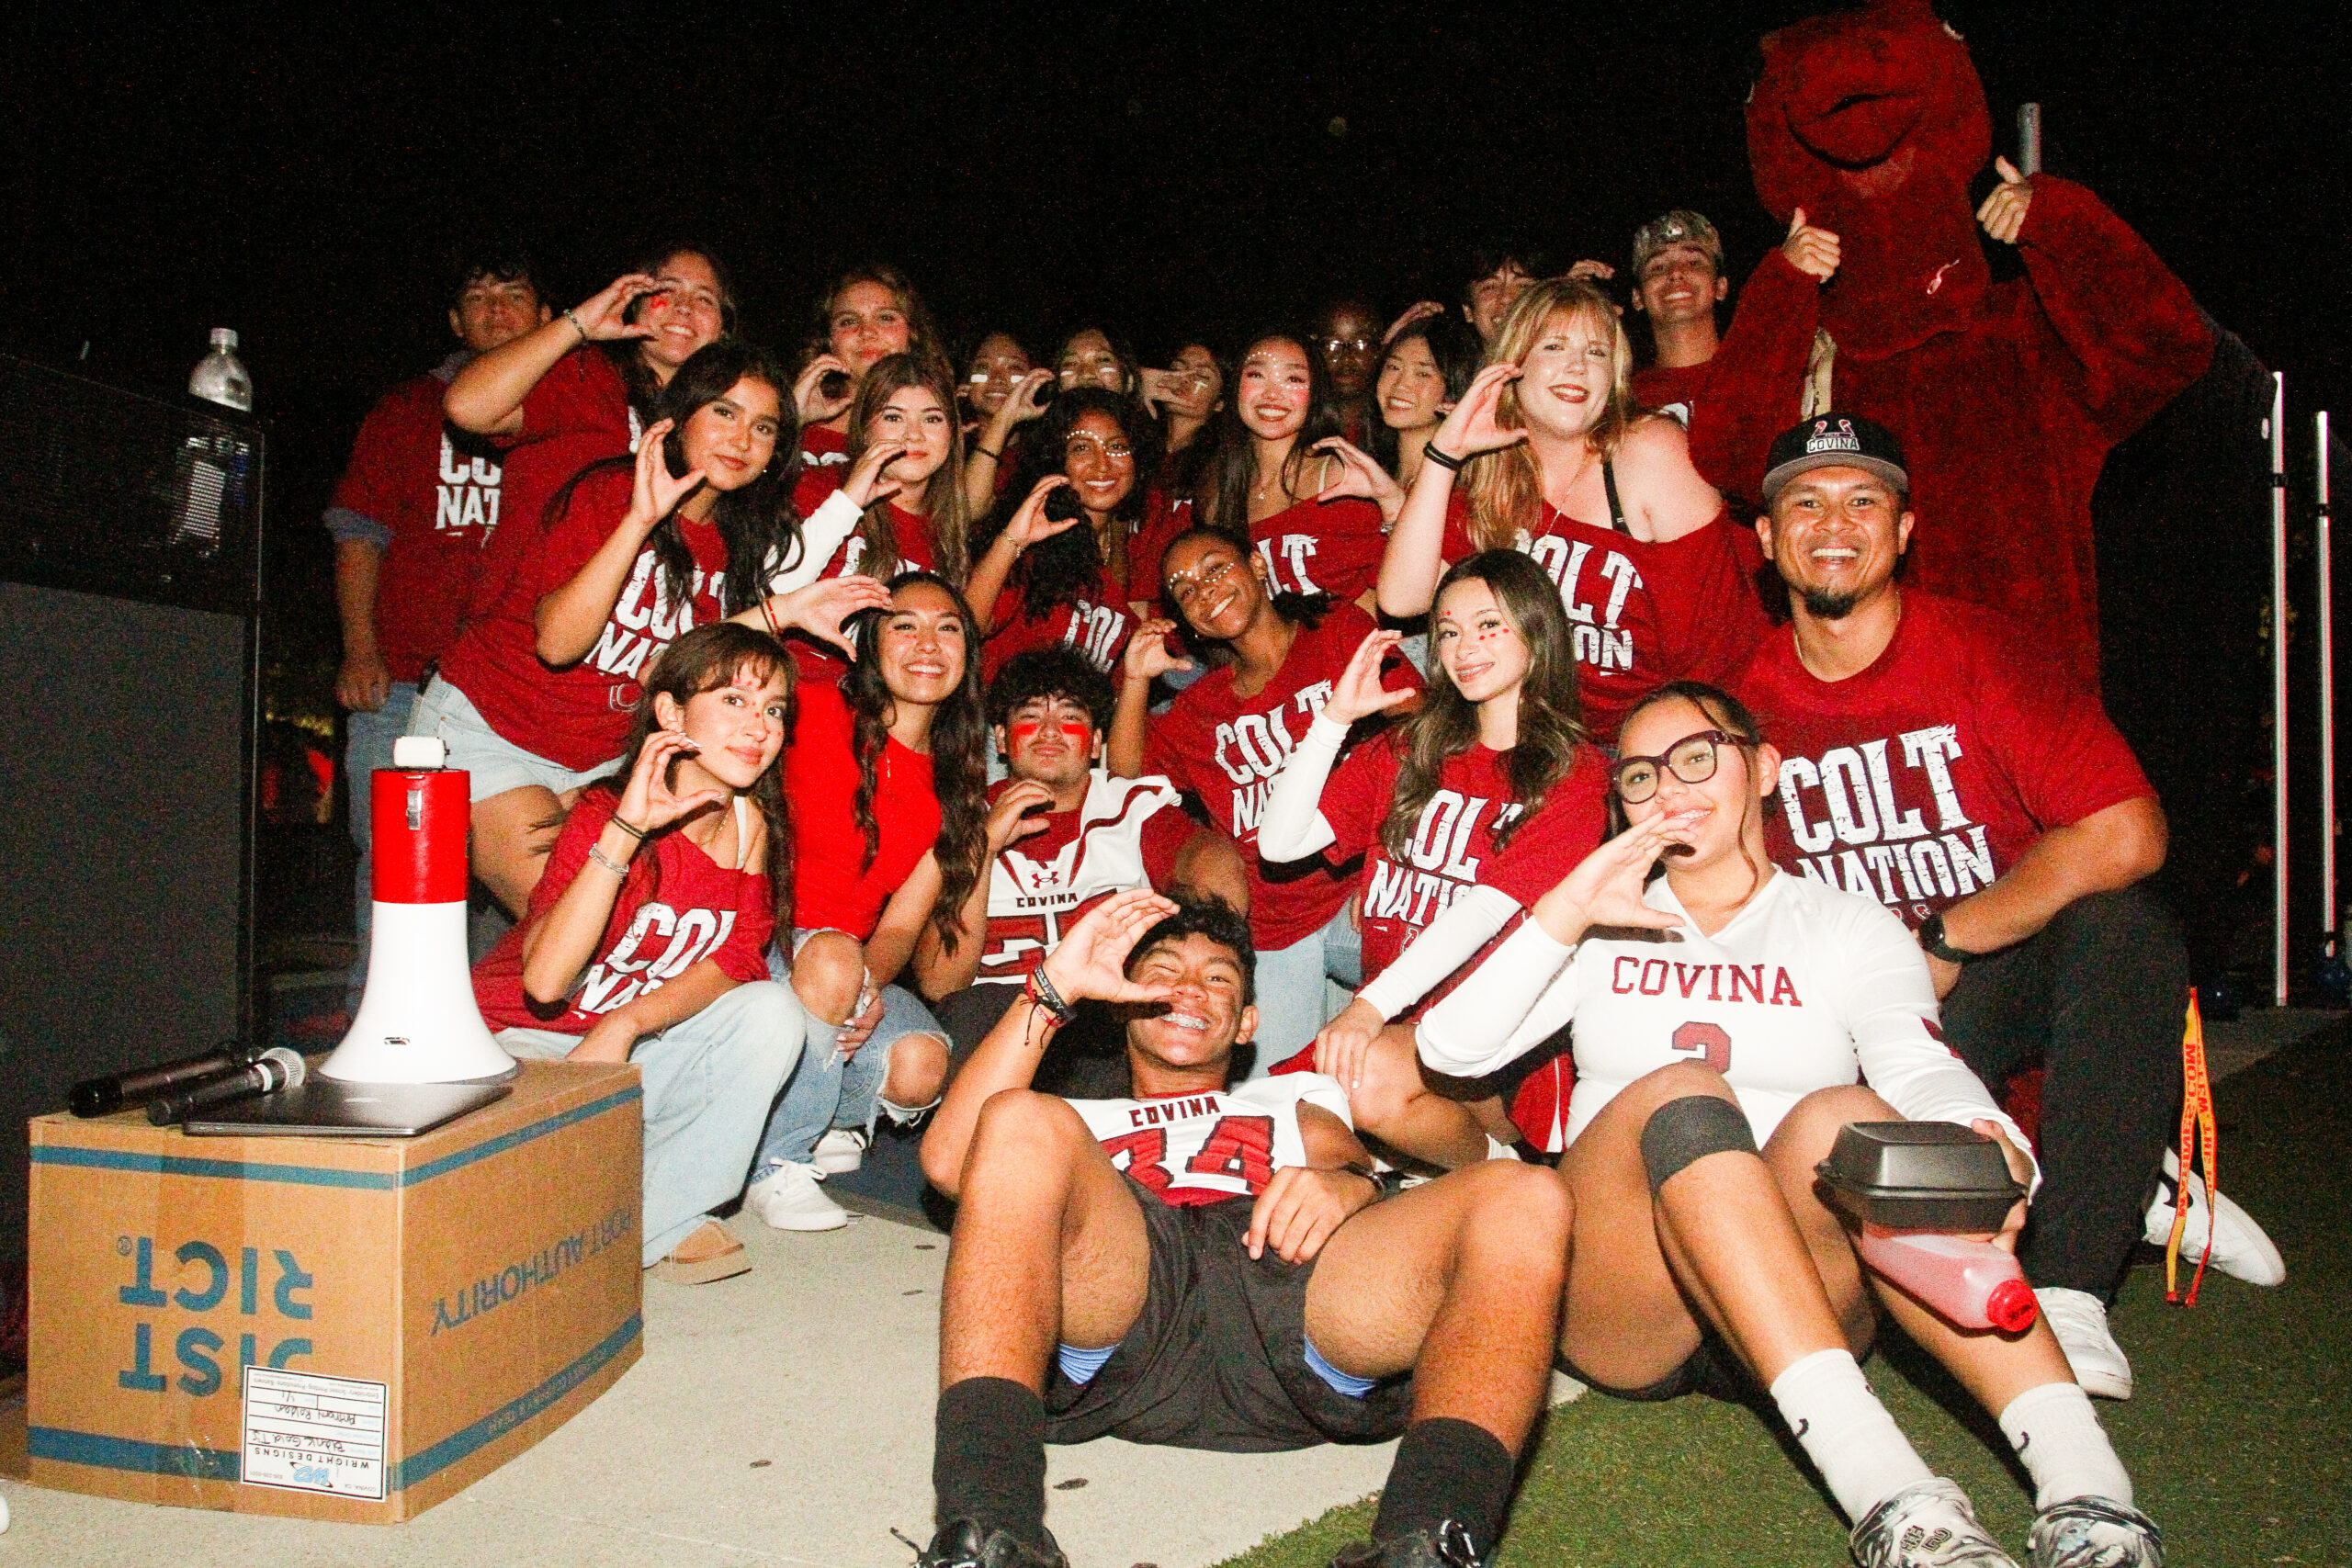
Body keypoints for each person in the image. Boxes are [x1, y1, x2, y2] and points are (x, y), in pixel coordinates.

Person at [1419, 681, 2165, 1568]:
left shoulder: (1845, 923)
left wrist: (1980, 1129)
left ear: (1764, 767)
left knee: (1846, 1114)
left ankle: (2093, 1500)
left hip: (1800, 1287)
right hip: (1630, 1298)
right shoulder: (1601, 928)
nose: (1671, 790)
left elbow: (1914, 1058)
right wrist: (1566, 912)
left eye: (1697, 757)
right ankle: (1897, 1504)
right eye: (1641, 777)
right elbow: (1450, 1049)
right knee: (1682, 1090)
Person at [1726, 413, 2190, 1404]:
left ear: (1903, 530)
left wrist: (1940, 937)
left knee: (2125, 928)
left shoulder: (1983, 652)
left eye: (1862, 501)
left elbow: (2128, 831)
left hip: (1977, 975)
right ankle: (2118, 1163)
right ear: (1766, 542)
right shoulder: (1742, 698)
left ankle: (2069, 1284)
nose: (1832, 524)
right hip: (1845, 1017)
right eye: (1802, 503)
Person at [912, 890, 1573, 1568]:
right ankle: (988, 1529)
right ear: (1122, 998)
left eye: (1218, 977)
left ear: (1247, 1020)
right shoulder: (1076, 1121)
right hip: (1131, 1290)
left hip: (1286, 1284)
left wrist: (1343, 1186)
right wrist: (1050, 990)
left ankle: (1435, 1535)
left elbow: (1343, 1161)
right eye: (1165, 968)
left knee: (1527, 1192)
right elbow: (947, 1160)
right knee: (1019, 1118)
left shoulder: (1294, 1097)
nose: (1190, 988)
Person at [416, 341, 884, 917]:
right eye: (723, 412)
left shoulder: (744, 543)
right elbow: (557, 644)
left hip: (606, 756)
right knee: (566, 914)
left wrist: (783, 609)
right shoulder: (612, 491)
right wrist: (640, 519)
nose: (742, 440)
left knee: (646, 919)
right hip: (499, 727)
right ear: (680, 416)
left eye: (764, 428)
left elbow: (658, 670)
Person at [470, 623, 805, 1286]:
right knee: (498, 1214)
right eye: (734, 702)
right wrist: (627, 830)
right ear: (671, 713)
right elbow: (544, 981)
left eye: (773, 709)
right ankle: (603, 1208)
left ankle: (643, 1218)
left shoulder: (751, 824)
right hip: (521, 1047)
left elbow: (739, 956)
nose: (759, 727)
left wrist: (626, 1023)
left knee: (773, 1011)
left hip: (620, 1049)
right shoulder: (604, 811)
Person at [1259, 551, 1610, 1167]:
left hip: (1497, 1045)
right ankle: (1416, 1175)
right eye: (1448, 631)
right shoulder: (1409, 748)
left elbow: (1486, 911)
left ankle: (1505, 1176)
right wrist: (1334, 717)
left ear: (1537, 630)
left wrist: (1366, 1008)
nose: (1464, 647)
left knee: (1365, 1081)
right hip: (1391, 1021)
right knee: (1274, 1134)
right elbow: (1280, 843)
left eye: (1488, 625)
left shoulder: (1574, 772)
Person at [1375, 276, 1767, 741]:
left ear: (1615, 375)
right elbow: (1402, 599)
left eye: (1597, 352)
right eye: (1555, 347)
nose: (1578, 366)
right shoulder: (1492, 469)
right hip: (1538, 737)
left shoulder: (1647, 452)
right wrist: (1445, 454)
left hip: (1648, 737)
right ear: (1512, 366)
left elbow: (1717, 653)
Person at [1109, 526, 1420, 1065]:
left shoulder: (1338, 631)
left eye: (1214, 568)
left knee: (1410, 1052)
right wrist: (1136, 681)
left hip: (1364, 893)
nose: (1203, 590)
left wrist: (1385, 862)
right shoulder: (1199, 708)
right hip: (1272, 925)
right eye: (1185, 590)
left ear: (1256, 565)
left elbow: (1424, 738)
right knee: (1275, 1101)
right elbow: (1124, 778)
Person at [329, 246, 548, 1003]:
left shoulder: (573, 412)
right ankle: (378, 1026)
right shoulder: (408, 410)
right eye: (478, 296)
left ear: (546, 316)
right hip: (406, 686)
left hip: (520, 694)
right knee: (399, 872)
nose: (495, 309)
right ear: (455, 320)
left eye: (513, 293)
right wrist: (361, 650)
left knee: (517, 891)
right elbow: (359, 531)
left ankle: (503, 1037)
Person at [744, 572, 989, 1232]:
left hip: (843, 958)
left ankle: (820, 1107)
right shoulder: (816, 707)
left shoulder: (953, 781)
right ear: (871, 644)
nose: (927, 642)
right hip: (758, 942)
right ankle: (776, 1161)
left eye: (948, 627)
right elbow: (693, 670)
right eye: (904, 624)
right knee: (828, 957)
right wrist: (781, 611)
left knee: (919, 1065)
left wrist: (867, 986)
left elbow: (903, 922)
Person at [912, 648, 1247, 1093]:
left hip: (1102, 1008)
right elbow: (940, 982)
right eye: (1031, 716)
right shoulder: (957, 818)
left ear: (1094, 743)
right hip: (995, 1009)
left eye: (1069, 716)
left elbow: (1215, 872)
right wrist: (984, 847)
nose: (1050, 732)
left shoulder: (1132, 807)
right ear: (1000, 738)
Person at [443, 244, 735, 618]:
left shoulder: (717, 425)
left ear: (723, 328)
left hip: (620, 663)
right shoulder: (585, 377)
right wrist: (578, 324)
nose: (683, 307)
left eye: (704, 299)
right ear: (636, 303)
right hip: (513, 648)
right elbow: (466, 407)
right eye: (668, 290)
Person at [784, 353, 978, 684]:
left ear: (953, 432)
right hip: (791, 690)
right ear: (863, 427)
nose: (913, 436)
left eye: (932, 419)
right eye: (893, 417)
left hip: (877, 709)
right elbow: (770, 594)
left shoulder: (948, 531)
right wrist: (790, 421)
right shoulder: (816, 487)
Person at [1628, 209, 1838, 503]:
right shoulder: (1619, 398)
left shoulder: (1773, 368)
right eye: (1658, 267)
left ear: (1721, 287)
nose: (1676, 274)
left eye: (1693, 262)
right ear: (1637, 297)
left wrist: (1787, 279)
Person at [967, 389, 1164, 682]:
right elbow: (965, 626)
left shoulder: (1126, 546)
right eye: (1082, 448)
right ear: (1057, 460)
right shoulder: (1035, 537)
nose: (1102, 464)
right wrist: (1013, 541)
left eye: (1117, 447)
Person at [1193, 332, 1387, 611]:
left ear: (1316, 394)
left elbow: (1389, 598)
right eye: (1257, 376)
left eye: (1293, 379)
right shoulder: (1216, 488)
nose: (1272, 394)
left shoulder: (1343, 478)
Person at [795, 264, 947, 513]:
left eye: (885, 318)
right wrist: (790, 419)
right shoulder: (789, 416)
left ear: (913, 333)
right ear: (829, 340)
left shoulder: (930, 434)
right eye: (849, 321)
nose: (867, 332)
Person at [1364, 313, 1480, 491]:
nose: (1401, 385)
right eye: (1394, 367)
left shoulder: (1469, 493)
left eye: (1422, 374)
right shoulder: (1363, 480)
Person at [1313, 297, 1383, 444]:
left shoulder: (1394, 429)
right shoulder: (1296, 428)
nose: (1346, 358)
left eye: (1362, 344)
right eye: (1331, 345)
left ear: (1379, 349)